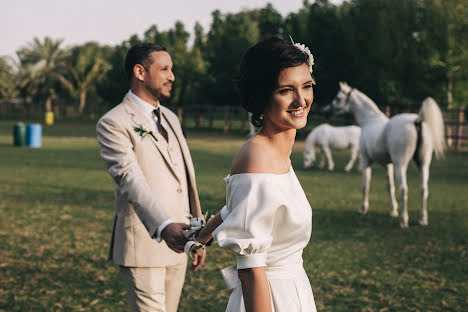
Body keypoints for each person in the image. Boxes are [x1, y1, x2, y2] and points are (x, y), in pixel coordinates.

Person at [194, 37, 318, 311]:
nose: (301, 100)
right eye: (286, 90)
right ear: (262, 96)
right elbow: (250, 271)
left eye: (306, 86)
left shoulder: (277, 151)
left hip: (293, 291)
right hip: (270, 299)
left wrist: (201, 236)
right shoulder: (257, 158)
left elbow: (240, 209)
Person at [96, 43, 205, 312]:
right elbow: (130, 179)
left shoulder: (170, 117)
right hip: (143, 245)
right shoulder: (113, 122)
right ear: (140, 72)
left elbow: (185, 179)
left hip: (180, 243)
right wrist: (164, 226)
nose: (172, 77)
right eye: (165, 69)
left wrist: (198, 233)